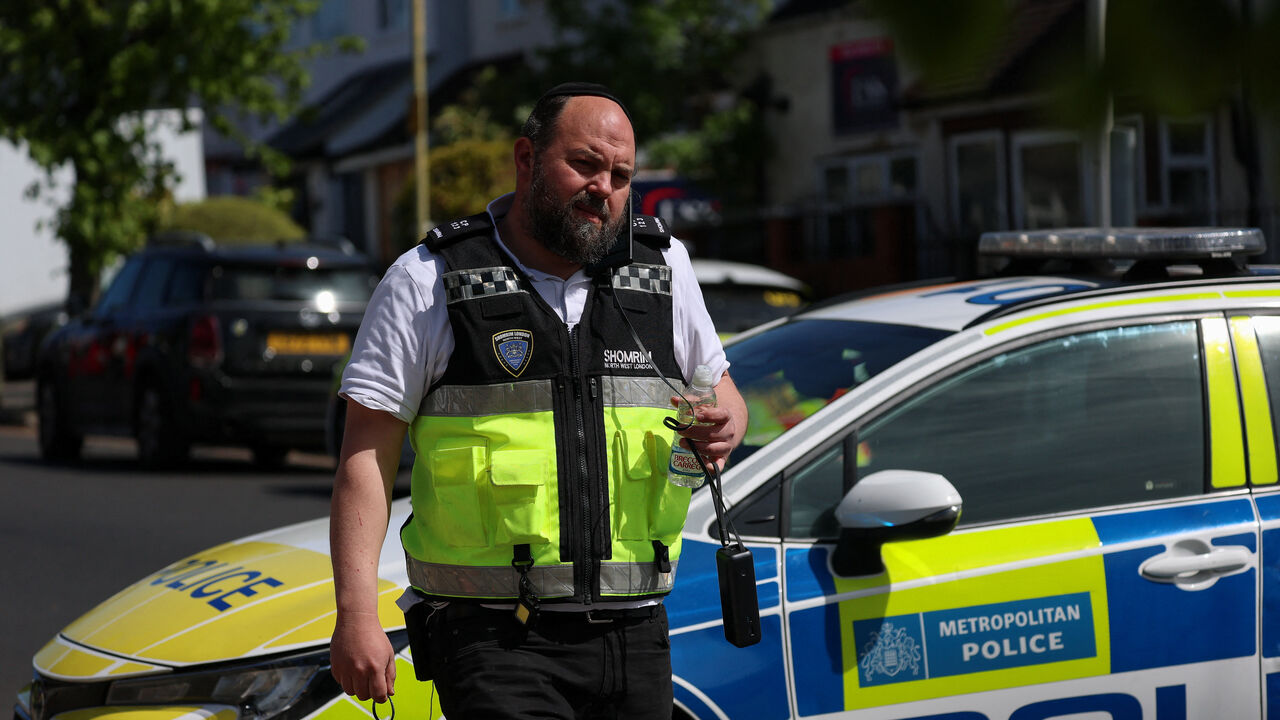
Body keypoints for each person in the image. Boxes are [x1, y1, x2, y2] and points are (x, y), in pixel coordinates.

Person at [328, 82, 747, 720]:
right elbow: (366, 454)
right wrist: (356, 615)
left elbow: (726, 398)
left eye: (621, 174)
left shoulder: (664, 269)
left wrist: (724, 427)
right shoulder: (430, 279)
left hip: (633, 634)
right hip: (495, 640)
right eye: (584, 163)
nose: (603, 187)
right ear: (527, 159)